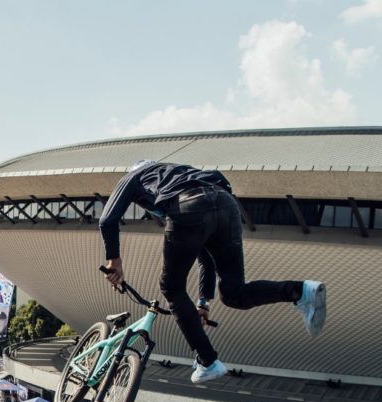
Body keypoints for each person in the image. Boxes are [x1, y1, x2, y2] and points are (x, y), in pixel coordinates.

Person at [99, 160, 325, 384]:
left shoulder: (135, 176)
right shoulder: (181, 172)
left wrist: (114, 261)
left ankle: (207, 361)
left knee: (171, 288)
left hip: (188, 207)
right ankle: (300, 291)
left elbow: (107, 220)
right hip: (226, 205)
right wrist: (203, 302)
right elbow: (205, 257)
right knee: (234, 292)